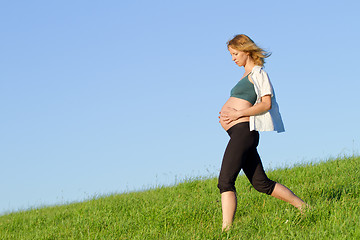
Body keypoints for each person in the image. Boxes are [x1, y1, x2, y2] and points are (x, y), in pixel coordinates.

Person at [218, 34, 306, 231]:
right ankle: (304, 207)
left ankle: (226, 231)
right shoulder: (245, 75)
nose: (233, 58)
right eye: (231, 54)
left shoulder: (258, 73)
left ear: (246, 51)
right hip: (237, 133)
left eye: (235, 53)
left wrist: (238, 113)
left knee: (225, 181)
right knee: (261, 183)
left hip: (244, 132)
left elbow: (266, 103)